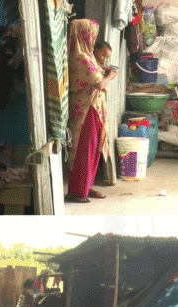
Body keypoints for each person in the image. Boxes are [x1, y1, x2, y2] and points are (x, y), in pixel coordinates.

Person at [66, 20, 118, 203]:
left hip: (94, 109)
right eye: (91, 34)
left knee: (95, 149)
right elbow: (99, 83)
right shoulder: (80, 58)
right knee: (84, 149)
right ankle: (77, 191)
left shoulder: (88, 57)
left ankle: (86, 187)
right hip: (86, 111)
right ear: (83, 34)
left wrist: (105, 69)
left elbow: (97, 72)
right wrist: (111, 75)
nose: (93, 38)